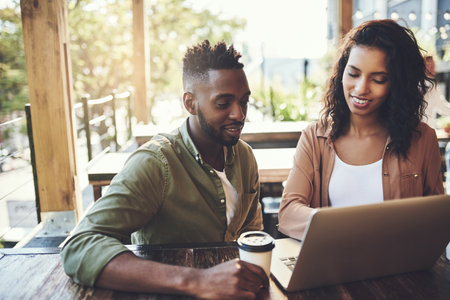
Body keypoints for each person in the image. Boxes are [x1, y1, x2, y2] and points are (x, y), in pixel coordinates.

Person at [61, 40, 268, 299]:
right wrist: (198, 280)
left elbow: (252, 234)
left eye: (244, 101)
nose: (239, 114)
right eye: (223, 103)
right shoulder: (155, 163)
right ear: (190, 103)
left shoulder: (245, 156)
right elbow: (79, 245)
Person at [278, 19, 444, 240]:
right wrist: (349, 228)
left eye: (378, 79)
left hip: (399, 270)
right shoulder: (314, 137)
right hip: (332, 268)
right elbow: (288, 213)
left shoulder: (422, 139)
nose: (360, 89)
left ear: (397, 84)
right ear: (341, 73)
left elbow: (436, 221)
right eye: (353, 74)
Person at [423, 55, 450, 128]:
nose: (433, 68)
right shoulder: (431, 86)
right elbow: (443, 108)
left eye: (433, 64)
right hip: (425, 130)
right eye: (429, 65)